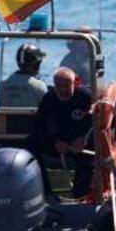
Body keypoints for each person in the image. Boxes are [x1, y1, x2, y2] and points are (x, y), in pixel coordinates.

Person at [29, 67, 94, 197]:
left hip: (81, 144)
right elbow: (39, 127)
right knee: (32, 147)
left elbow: (95, 124)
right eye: (59, 86)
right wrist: (55, 142)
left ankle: (80, 196)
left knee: (88, 160)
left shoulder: (85, 98)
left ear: (74, 83)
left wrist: (84, 139)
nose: (63, 90)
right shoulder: (49, 99)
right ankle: (46, 193)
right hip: (58, 142)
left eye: (66, 85)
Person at [60, 27, 94, 92]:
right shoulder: (69, 62)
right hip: (81, 95)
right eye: (87, 40)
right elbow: (69, 85)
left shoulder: (88, 58)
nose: (90, 44)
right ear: (76, 42)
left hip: (89, 92)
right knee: (114, 86)